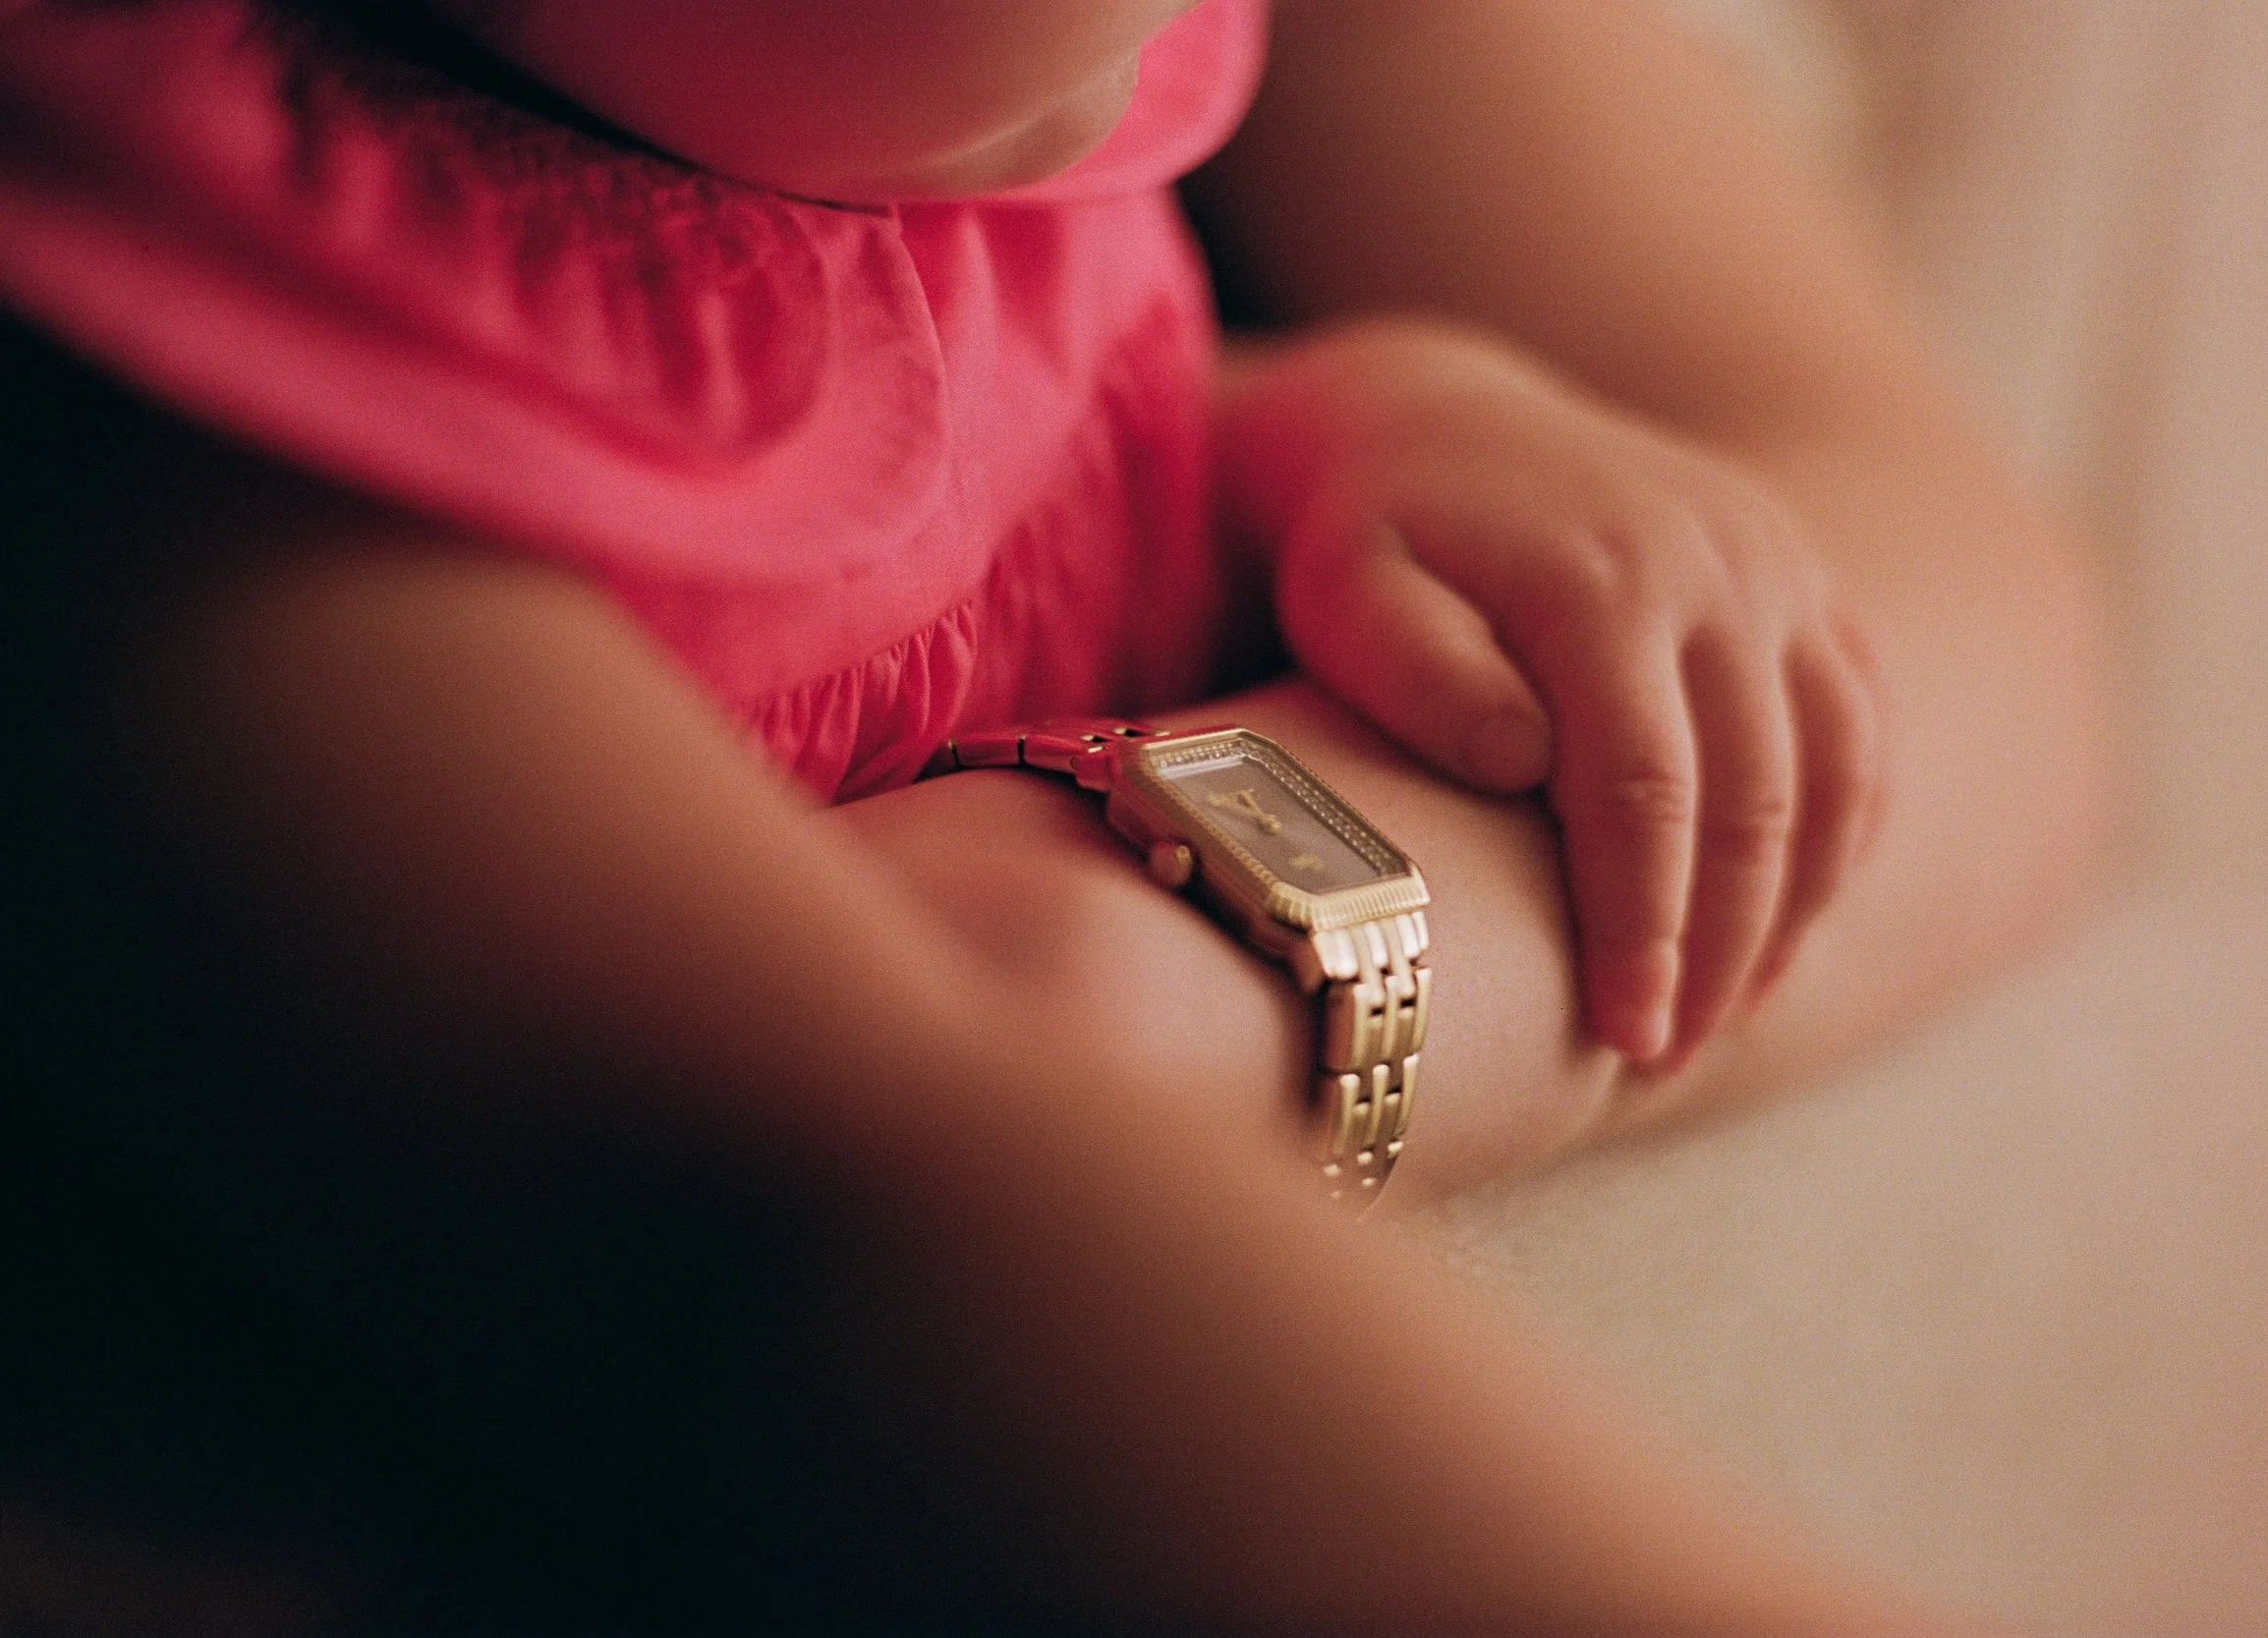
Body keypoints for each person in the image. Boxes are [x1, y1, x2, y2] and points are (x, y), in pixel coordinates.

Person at [0, 0, 2111, 1627]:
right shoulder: (173, 343)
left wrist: (1334, 416)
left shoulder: (838, 95)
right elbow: (824, 1237)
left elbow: (984, 425)